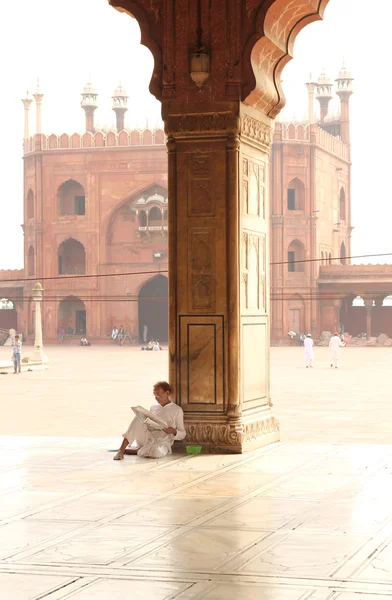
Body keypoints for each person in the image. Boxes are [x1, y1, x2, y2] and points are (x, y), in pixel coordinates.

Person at [113, 381, 186, 460]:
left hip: (162, 443)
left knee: (156, 452)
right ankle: (121, 451)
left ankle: (139, 451)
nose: (156, 398)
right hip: (147, 438)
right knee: (138, 418)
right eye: (154, 396)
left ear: (167, 393)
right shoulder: (153, 408)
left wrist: (173, 431)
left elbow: (183, 434)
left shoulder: (177, 410)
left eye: (158, 396)